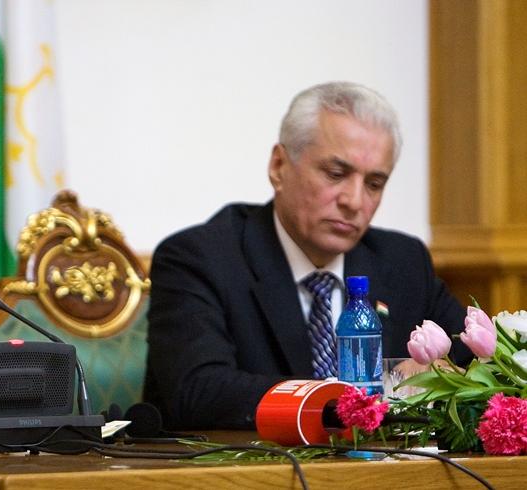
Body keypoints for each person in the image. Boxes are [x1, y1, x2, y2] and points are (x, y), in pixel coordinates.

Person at [144, 81, 466, 430]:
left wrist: (449, 373)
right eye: (336, 174)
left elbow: (485, 361)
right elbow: (199, 392)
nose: (354, 201)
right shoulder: (199, 258)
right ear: (279, 166)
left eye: (374, 184)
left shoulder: (402, 261)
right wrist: (366, 396)